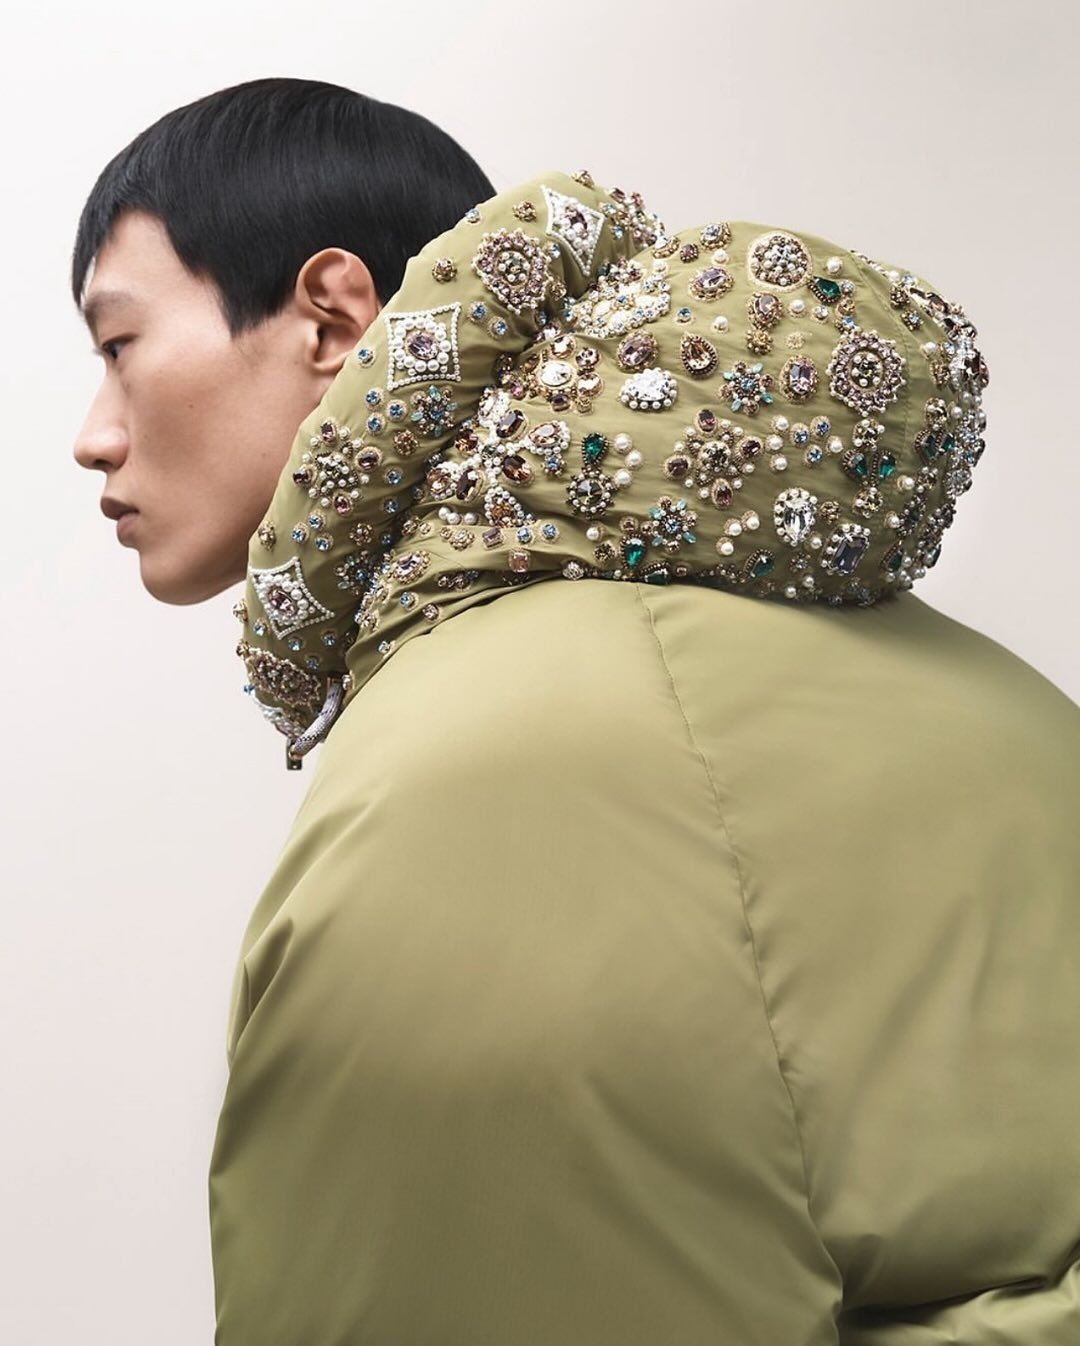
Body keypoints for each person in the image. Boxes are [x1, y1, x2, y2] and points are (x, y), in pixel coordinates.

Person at [72, 77, 1080, 1346]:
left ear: (330, 316)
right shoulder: (992, 693)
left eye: (119, 345)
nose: (93, 435)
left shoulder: (473, 770)